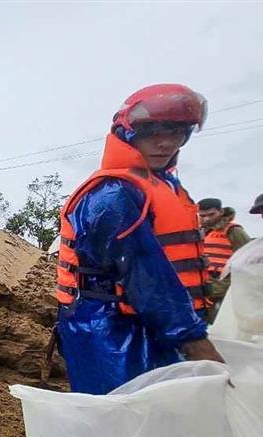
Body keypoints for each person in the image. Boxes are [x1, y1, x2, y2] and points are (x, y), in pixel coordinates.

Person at [55, 83, 224, 395]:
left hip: (157, 328)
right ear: (127, 134)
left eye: (175, 132)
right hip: (113, 334)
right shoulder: (111, 196)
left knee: (165, 422)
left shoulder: (162, 185)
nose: (165, 143)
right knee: (124, 424)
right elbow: (147, 279)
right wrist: (196, 343)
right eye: (152, 132)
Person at [198, 198, 252, 323]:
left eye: (211, 214)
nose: (206, 219)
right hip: (204, 289)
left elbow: (250, 257)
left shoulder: (234, 232)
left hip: (224, 291)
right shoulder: (200, 233)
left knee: (220, 326)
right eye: (202, 216)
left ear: (221, 212)